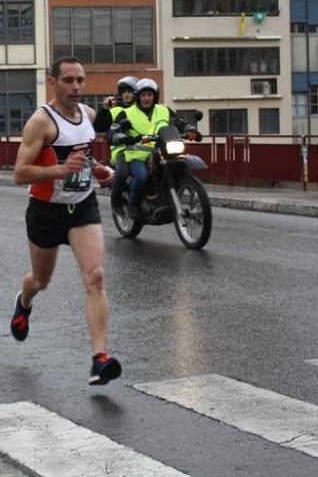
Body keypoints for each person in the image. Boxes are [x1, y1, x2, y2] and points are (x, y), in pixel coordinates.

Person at [10, 56, 121, 385]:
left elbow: (83, 155)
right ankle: (24, 300)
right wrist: (60, 170)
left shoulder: (87, 115)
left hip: (82, 205)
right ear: (53, 81)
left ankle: (99, 359)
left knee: (96, 277)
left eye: (80, 80)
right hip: (46, 210)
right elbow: (19, 173)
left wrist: (98, 169)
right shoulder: (41, 122)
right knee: (41, 281)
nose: (76, 87)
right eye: (69, 80)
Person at [112, 79, 200, 219]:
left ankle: (168, 198)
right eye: (143, 95)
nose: (147, 98)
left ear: (155, 96)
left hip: (161, 150)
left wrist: (190, 129)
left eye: (149, 95)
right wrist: (121, 136)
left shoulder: (164, 110)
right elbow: (114, 130)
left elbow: (178, 122)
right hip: (137, 154)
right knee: (141, 176)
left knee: (178, 166)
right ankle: (133, 205)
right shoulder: (127, 113)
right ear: (138, 97)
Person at [93, 76, 139, 214]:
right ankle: (116, 201)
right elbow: (99, 127)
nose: (126, 94)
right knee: (123, 171)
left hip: (145, 148)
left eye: (130, 91)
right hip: (122, 150)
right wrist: (105, 110)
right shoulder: (115, 111)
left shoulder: (146, 109)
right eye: (123, 91)